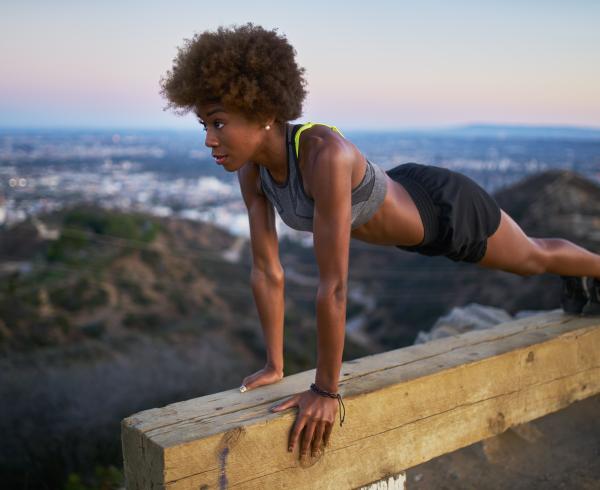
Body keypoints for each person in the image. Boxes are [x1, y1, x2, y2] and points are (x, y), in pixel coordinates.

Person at [160, 23, 600, 460]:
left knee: (531, 259)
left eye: (218, 123)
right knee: (531, 259)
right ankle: (581, 279)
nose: (208, 139)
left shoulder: (322, 154)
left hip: (443, 212)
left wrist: (326, 390)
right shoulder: (251, 171)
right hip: (403, 199)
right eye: (204, 124)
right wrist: (275, 365)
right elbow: (266, 270)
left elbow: (333, 285)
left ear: (262, 112)